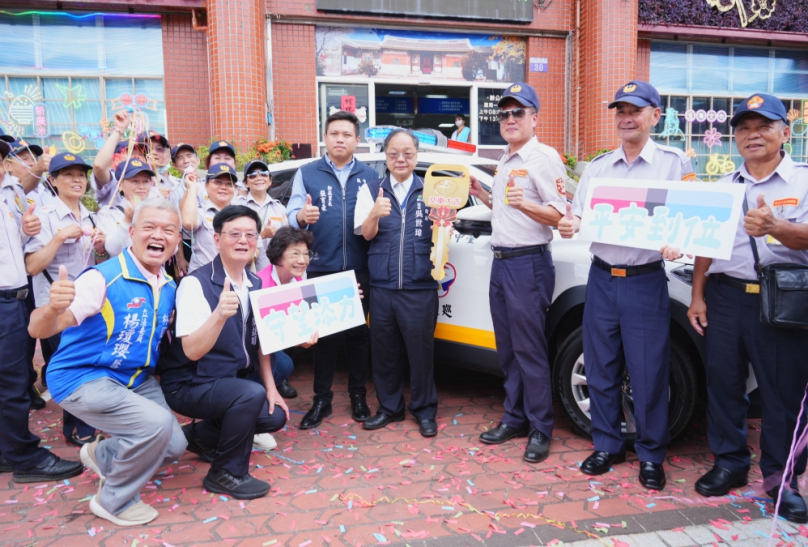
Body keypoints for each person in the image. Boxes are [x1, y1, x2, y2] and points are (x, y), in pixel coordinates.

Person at [558, 81, 696, 488]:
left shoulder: (673, 164)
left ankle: (651, 454)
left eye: (635, 110)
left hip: (644, 281)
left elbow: (690, 220)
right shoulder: (599, 168)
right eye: (620, 111)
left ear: (655, 115)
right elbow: (579, 215)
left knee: (649, 371)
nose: (626, 118)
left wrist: (681, 242)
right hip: (602, 278)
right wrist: (570, 223)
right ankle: (607, 444)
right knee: (600, 367)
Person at [685, 93, 808, 523]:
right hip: (725, 296)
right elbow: (705, 245)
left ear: (785, 133)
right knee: (724, 384)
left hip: (781, 300)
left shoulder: (802, 181)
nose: (752, 135)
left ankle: (781, 479)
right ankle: (730, 464)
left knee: (782, 394)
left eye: (763, 126)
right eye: (743, 128)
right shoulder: (723, 186)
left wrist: (777, 226)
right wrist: (697, 295)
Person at [28, 196, 187, 526]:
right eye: (150, 227)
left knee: (173, 445)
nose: (158, 235)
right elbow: (38, 328)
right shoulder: (102, 278)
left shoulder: (169, 285)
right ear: (132, 232)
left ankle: (101, 453)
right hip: (82, 377)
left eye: (168, 229)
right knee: (155, 425)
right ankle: (114, 500)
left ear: (177, 239)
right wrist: (52, 308)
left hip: (132, 378)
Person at [159, 205, 289, 499]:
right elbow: (191, 351)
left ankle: (200, 437)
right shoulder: (196, 283)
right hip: (190, 383)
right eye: (235, 234)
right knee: (249, 395)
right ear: (217, 239)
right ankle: (226, 473)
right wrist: (218, 315)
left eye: (250, 235)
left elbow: (263, 341)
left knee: (273, 416)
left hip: (227, 381)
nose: (243, 241)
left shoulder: (255, 283)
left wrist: (272, 389)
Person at [468, 82, 565, 464]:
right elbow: (506, 210)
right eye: (504, 113)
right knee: (507, 349)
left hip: (528, 264)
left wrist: (525, 204)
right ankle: (515, 418)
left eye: (518, 112)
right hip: (502, 262)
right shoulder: (505, 159)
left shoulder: (544, 158)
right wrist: (482, 193)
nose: (510, 119)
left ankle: (541, 427)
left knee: (530, 350)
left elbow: (559, 215)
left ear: (534, 118)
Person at [0, 138, 84, 485]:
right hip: (10, 301)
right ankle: (24, 457)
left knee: (14, 380)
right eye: (68, 174)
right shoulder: (32, 202)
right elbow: (34, 263)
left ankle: (7, 451)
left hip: (17, 299)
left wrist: (26, 230)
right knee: (13, 383)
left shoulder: (11, 196)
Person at [287, 110, 377, 429]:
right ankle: (322, 399)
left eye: (347, 134)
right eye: (334, 133)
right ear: (325, 137)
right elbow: (290, 215)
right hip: (321, 267)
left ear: (356, 140)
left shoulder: (370, 175)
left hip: (359, 268)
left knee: (357, 335)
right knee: (321, 337)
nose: (340, 139)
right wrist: (302, 216)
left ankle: (358, 396)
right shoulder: (307, 172)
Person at [354, 128, 438, 438]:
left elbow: (446, 232)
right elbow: (365, 234)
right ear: (386, 156)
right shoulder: (371, 189)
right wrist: (375, 214)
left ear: (417, 156)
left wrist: (446, 221)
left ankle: (425, 410)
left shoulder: (432, 189)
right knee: (384, 352)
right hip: (383, 286)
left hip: (420, 285)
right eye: (393, 154)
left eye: (407, 153)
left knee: (421, 353)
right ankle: (389, 408)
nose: (400, 159)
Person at [25, 153, 111, 447]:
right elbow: (32, 266)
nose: (77, 180)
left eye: (81, 175)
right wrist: (59, 237)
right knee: (68, 364)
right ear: (52, 180)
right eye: (68, 174)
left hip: (88, 305)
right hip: (56, 306)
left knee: (88, 362)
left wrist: (101, 247)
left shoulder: (91, 216)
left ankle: (83, 422)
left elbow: (99, 263)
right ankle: (76, 427)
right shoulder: (44, 216)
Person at [180, 163, 236, 272]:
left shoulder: (241, 215)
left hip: (233, 275)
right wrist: (192, 188)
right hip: (202, 276)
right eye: (217, 182)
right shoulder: (200, 211)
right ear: (206, 185)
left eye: (229, 184)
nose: (223, 187)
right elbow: (189, 223)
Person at [234, 159, 288, 273]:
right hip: (245, 272)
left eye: (263, 173)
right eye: (252, 175)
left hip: (274, 272)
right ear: (246, 183)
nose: (259, 178)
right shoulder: (238, 206)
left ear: (270, 181)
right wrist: (262, 235)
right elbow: (234, 240)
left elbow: (287, 240)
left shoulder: (279, 208)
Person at [98, 159, 159, 258]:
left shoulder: (157, 210)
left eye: (146, 181)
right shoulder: (108, 213)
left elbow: (172, 248)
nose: (141, 186)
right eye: (135, 181)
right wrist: (127, 221)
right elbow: (113, 250)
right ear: (120, 185)